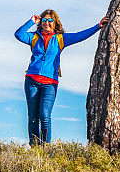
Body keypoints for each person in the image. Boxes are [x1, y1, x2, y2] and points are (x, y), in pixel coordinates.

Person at [15, 9, 109, 146]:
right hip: (31, 81)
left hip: (50, 83)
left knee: (44, 116)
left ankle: (45, 147)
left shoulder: (60, 39)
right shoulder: (34, 37)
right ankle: (34, 148)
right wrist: (31, 21)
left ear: (55, 23)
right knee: (33, 117)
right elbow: (18, 34)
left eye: (50, 20)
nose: (47, 23)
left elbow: (80, 36)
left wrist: (98, 26)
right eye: (44, 20)